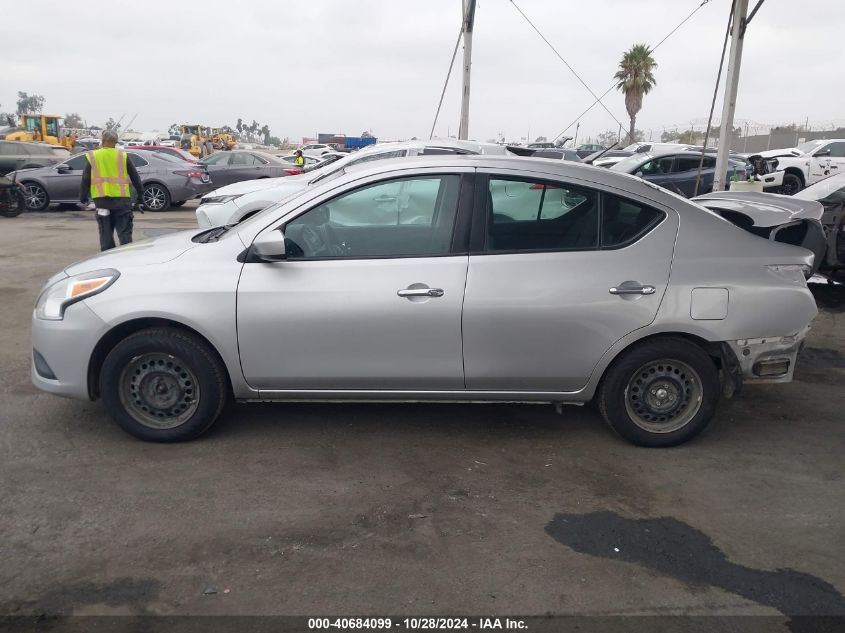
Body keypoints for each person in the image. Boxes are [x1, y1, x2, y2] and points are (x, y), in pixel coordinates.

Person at [80, 129, 144, 251]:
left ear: (102, 141)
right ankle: (127, 260)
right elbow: (135, 177)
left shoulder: (94, 156)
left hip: (102, 202)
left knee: (106, 235)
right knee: (125, 236)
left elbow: (85, 178)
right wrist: (140, 196)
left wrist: (83, 196)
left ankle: (108, 259)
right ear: (115, 142)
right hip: (122, 202)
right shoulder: (122, 155)